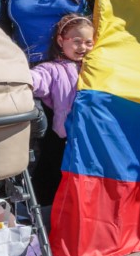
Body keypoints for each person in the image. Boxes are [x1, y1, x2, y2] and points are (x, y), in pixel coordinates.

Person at [29, 13, 95, 205]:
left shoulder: (96, 67)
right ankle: (47, 209)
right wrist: (22, 79)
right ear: (61, 41)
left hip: (90, 137)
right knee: (53, 176)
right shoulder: (52, 68)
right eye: (76, 41)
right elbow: (38, 78)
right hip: (63, 138)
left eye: (88, 43)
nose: (82, 47)